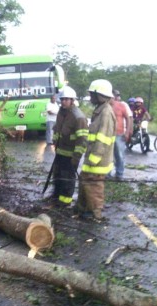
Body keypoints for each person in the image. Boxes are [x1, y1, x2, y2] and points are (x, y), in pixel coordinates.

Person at [75, 79, 116, 222]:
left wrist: (94, 159)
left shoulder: (105, 112)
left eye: (92, 94)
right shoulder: (100, 110)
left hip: (97, 160)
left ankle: (96, 214)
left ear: (99, 95)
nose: (90, 97)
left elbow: (103, 139)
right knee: (86, 183)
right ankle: (84, 210)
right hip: (92, 157)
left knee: (94, 186)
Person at [48, 86, 88, 207]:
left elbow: (82, 140)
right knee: (58, 176)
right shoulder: (61, 112)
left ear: (72, 100)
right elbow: (57, 129)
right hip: (60, 152)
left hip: (70, 154)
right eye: (62, 99)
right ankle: (56, 197)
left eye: (66, 99)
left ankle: (65, 202)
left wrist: (76, 157)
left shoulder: (78, 117)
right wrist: (55, 142)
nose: (63, 101)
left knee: (67, 179)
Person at [109, 89, 133, 180]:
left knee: (119, 154)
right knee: (108, 155)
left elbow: (128, 118)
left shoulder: (122, 106)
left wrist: (127, 131)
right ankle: (107, 173)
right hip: (108, 134)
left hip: (119, 134)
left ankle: (119, 173)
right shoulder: (106, 106)